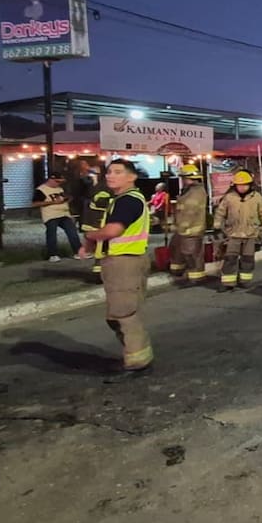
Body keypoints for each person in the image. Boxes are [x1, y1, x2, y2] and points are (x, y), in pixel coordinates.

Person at [83, 159, 154, 377]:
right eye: (109, 172)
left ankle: (137, 361)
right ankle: (137, 355)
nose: (110, 175)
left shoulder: (127, 201)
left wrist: (90, 236)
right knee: (119, 314)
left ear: (131, 177)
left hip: (124, 262)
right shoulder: (123, 199)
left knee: (123, 314)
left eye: (117, 172)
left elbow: (113, 230)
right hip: (124, 261)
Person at [213, 170, 262, 291]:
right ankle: (228, 282)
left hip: (250, 234)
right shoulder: (229, 197)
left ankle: (245, 281)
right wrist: (217, 226)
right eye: (239, 185)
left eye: (245, 185)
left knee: (248, 258)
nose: (242, 188)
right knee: (230, 258)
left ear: (250, 185)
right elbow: (220, 213)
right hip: (233, 234)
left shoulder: (257, 197)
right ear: (234, 185)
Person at [169, 164, 208, 286]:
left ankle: (196, 277)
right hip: (184, 229)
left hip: (191, 229)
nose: (182, 180)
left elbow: (190, 212)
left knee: (191, 254)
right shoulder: (189, 190)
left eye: (183, 177)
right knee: (178, 250)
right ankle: (178, 271)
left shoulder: (196, 192)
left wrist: (181, 226)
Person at [32, 172, 84, 262]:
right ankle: (52, 254)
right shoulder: (41, 190)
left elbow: (65, 198)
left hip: (64, 214)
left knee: (72, 233)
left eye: (60, 182)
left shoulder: (59, 189)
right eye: (57, 181)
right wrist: (53, 203)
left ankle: (78, 252)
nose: (59, 184)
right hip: (51, 215)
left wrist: (68, 199)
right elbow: (35, 203)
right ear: (50, 180)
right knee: (52, 234)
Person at [80, 172, 113, 280]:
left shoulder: (99, 187)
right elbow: (101, 202)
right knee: (102, 247)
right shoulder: (105, 188)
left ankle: (99, 270)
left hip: (95, 221)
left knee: (100, 248)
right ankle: (100, 273)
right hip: (99, 222)